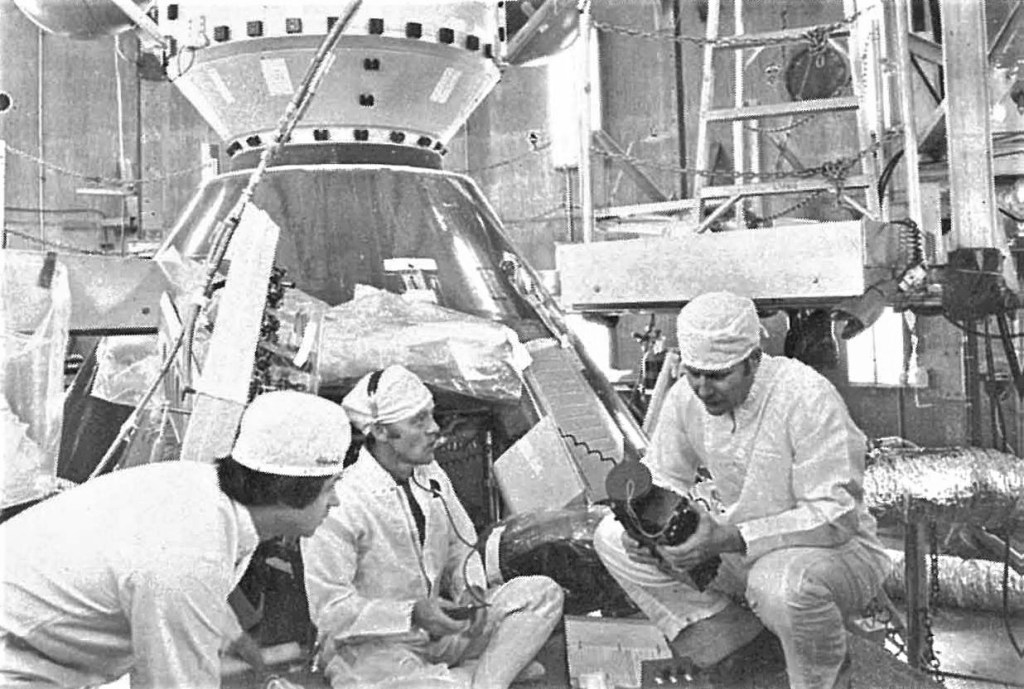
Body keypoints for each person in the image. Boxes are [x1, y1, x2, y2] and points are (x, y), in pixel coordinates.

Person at [593, 291, 892, 689]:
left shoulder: (806, 396)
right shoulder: (687, 397)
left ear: (753, 359)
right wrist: (646, 528)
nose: (702, 388)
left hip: (833, 551)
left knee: (780, 586)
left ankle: (820, 680)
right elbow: (664, 474)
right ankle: (734, 640)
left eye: (717, 376)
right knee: (610, 538)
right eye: (693, 372)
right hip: (737, 546)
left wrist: (731, 537)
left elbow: (835, 515)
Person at [0, 390, 352, 688]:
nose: (335, 501)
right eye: (329, 487)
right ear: (288, 493)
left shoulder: (208, 492)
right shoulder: (191, 555)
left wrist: (233, 637)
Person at [302, 364, 564, 689]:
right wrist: (412, 613)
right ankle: (490, 674)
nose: (435, 429)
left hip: (441, 635)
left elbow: (461, 547)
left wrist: (472, 591)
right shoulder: (342, 502)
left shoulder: (431, 475)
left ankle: (478, 681)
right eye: (418, 420)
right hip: (373, 653)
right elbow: (329, 612)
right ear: (381, 431)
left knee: (541, 593)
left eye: (432, 415)